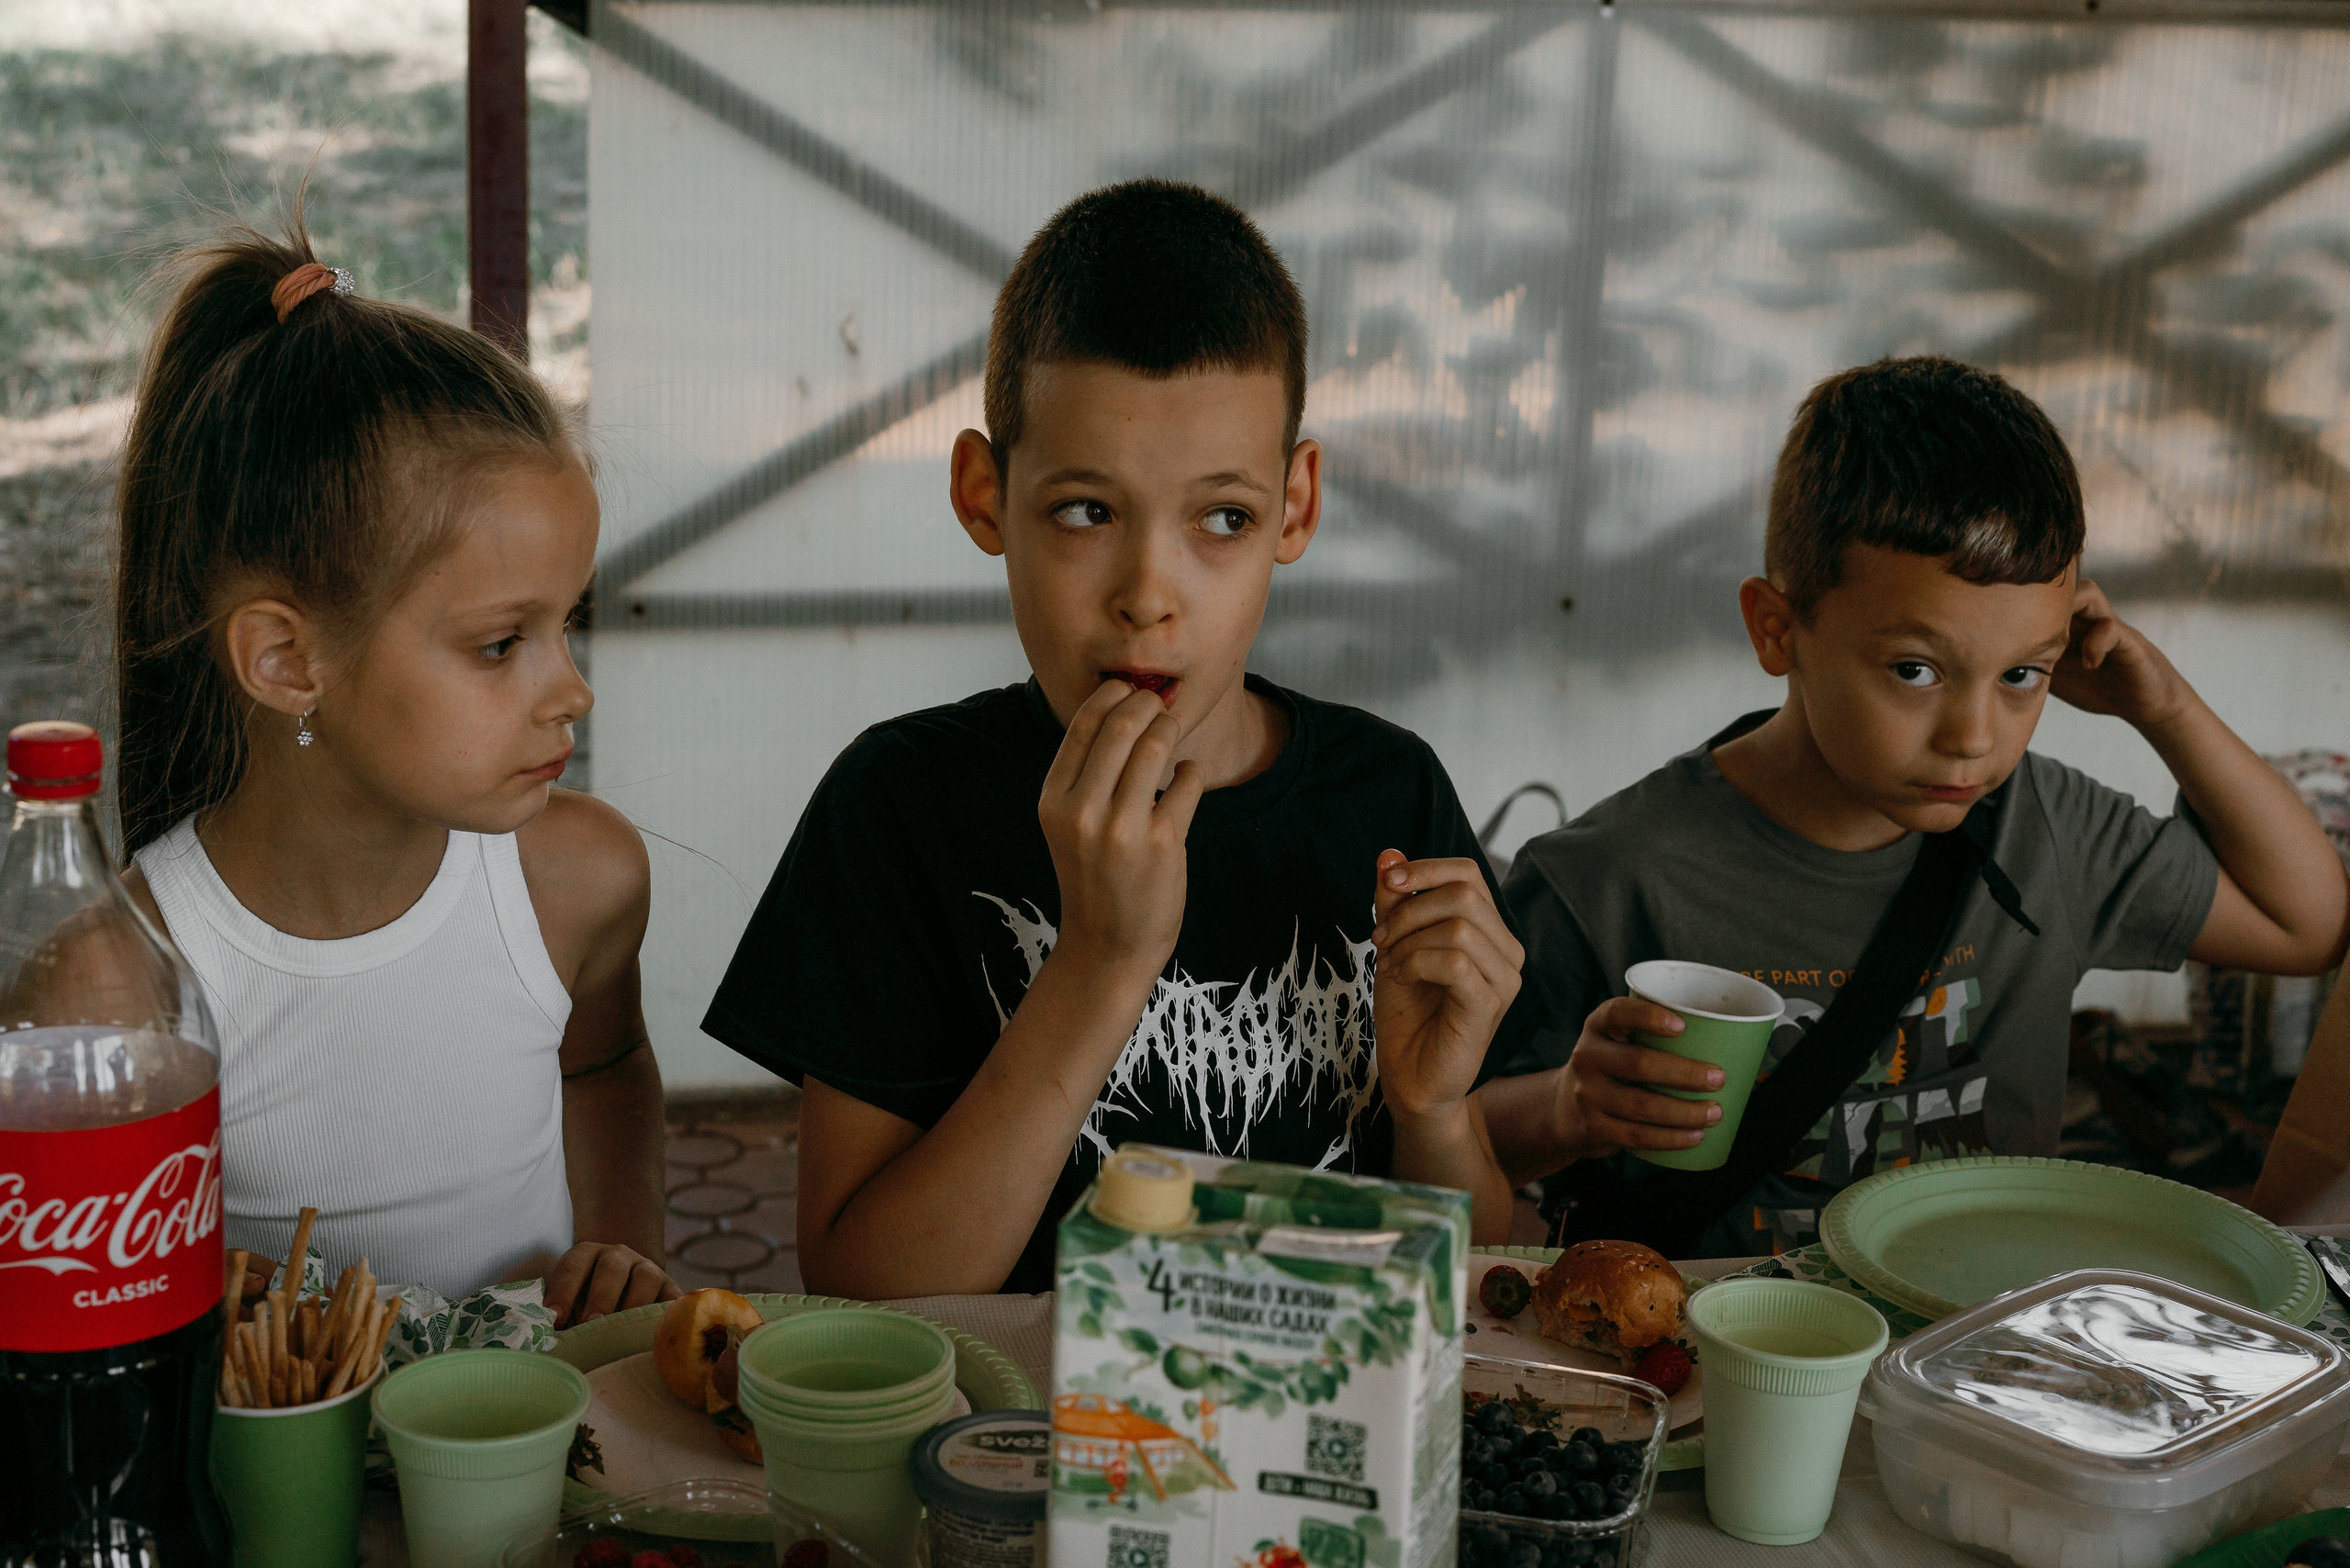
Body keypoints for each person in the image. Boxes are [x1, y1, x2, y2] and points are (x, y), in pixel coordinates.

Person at [703, 180, 1533, 1297]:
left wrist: (1433, 1113)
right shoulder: (900, 803)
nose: (1150, 593)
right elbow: (864, 1302)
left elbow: (1483, 1292)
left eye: (1222, 518)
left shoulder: (1387, 794)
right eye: (1087, 511)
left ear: (1294, 507)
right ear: (984, 494)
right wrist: (1098, 962)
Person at [1480, 356, 2350, 1257]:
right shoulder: (1609, 874)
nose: (1974, 737)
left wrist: (2160, 706)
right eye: (1915, 670)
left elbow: (2307, 926)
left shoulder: (2044, 826)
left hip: (1977, 1350)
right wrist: (1564, 1108)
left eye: (2023, 673)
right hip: (1713, 1365)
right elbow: (1440, 1150)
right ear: (1777, 629)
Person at [110, 222, 677, 1323]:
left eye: (569, 625)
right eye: (502, 643)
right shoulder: (126, 987)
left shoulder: (581, 883)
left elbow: (602, 1073)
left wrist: (619, 1257)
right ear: (287, 660)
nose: (572, 690)